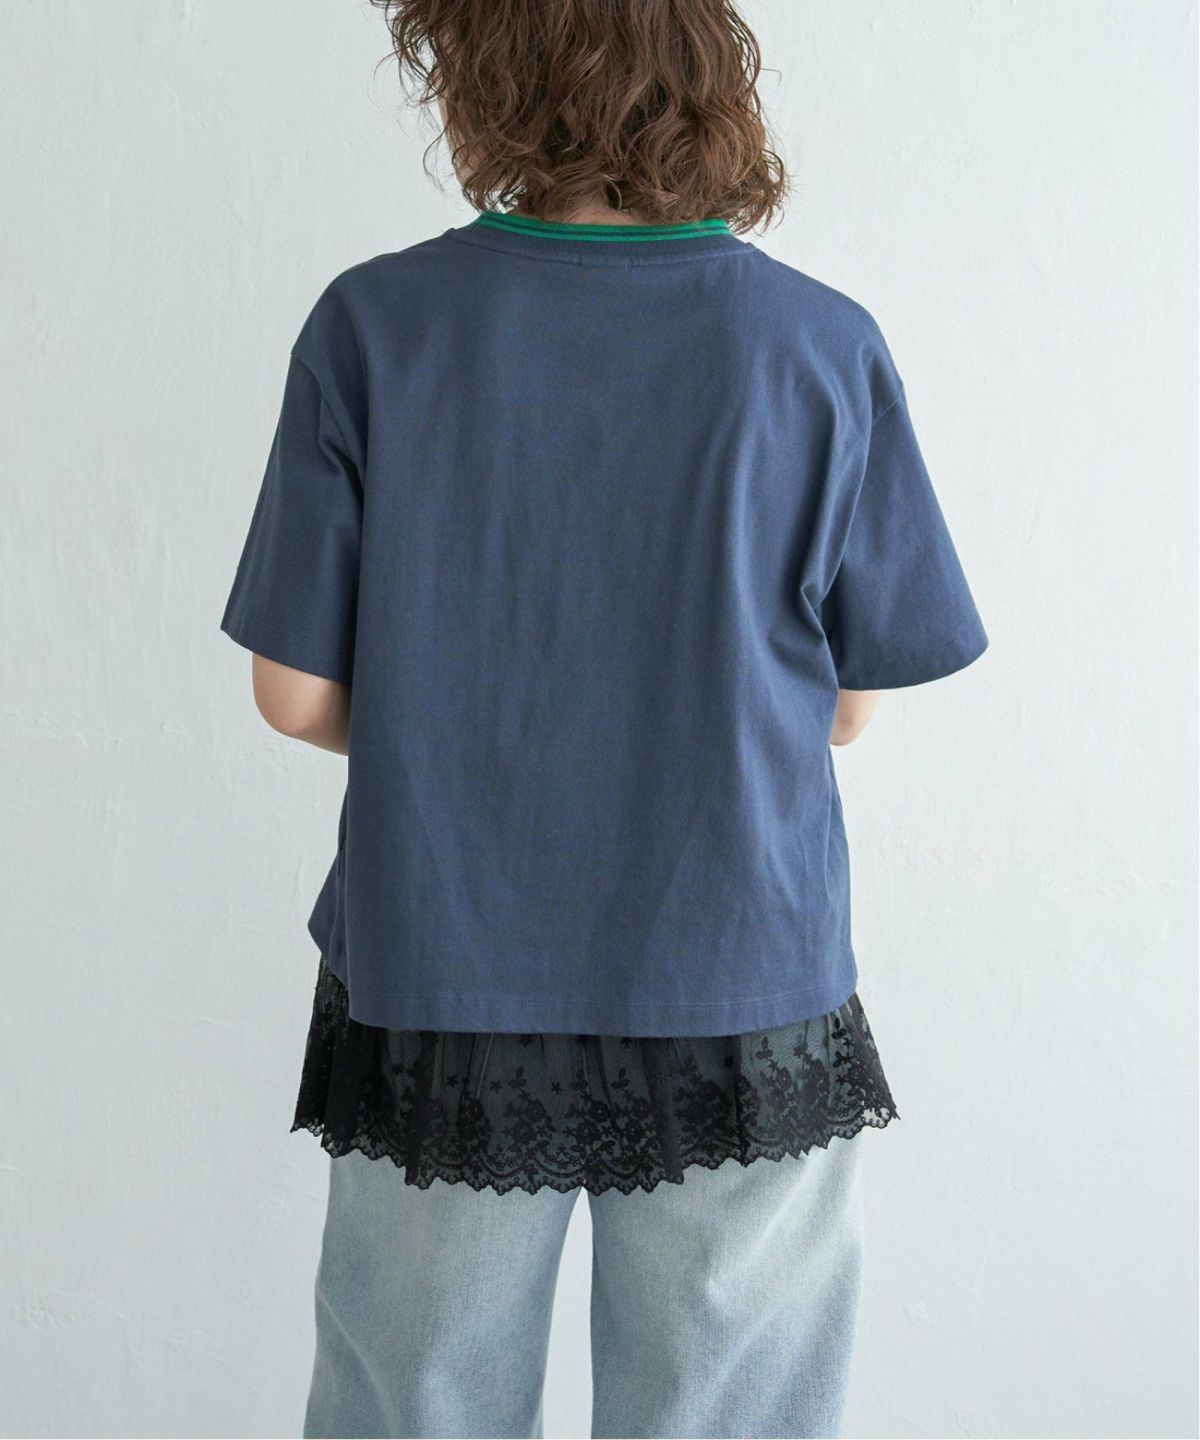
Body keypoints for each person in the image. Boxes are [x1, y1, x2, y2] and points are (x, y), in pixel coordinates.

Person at [220, 1, 988, 1435]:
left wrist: (452, 721)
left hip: (443, 970)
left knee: (415, 1401)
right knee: (728, 1407)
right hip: (736, 972)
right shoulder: (817, 344)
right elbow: (848, 710)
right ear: (708, 84)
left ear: (479, 79)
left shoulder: (373, 325)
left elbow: (292, 693)